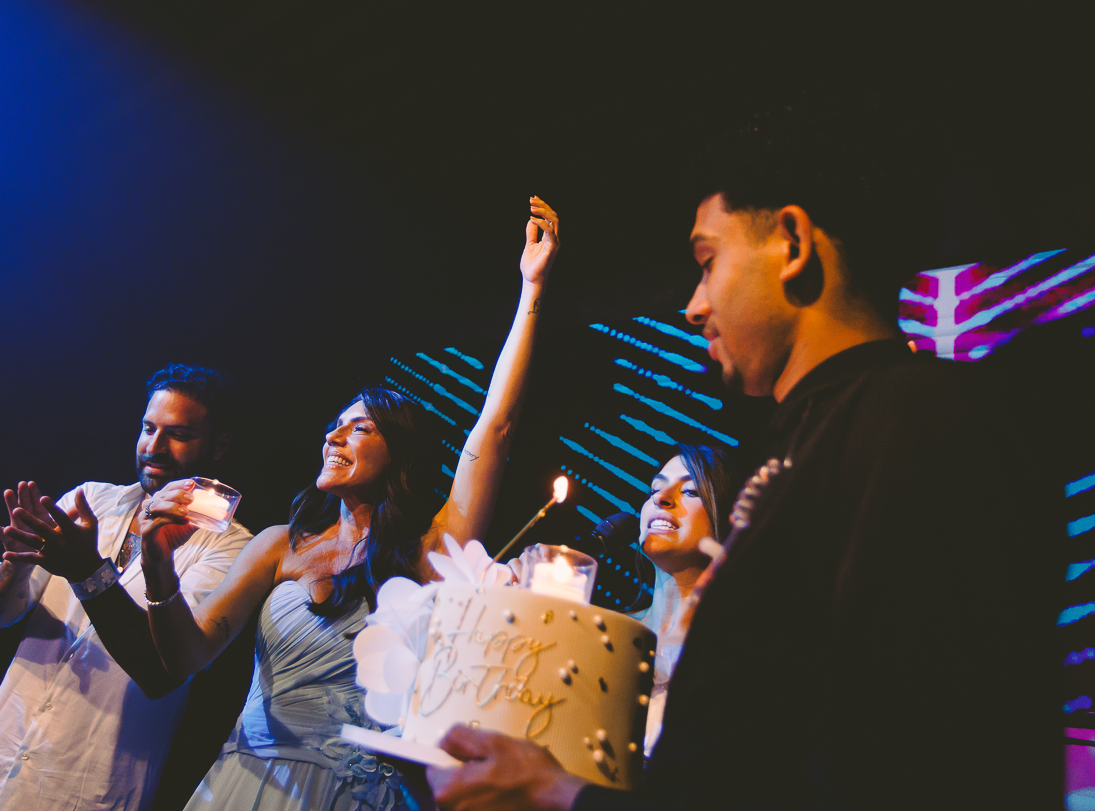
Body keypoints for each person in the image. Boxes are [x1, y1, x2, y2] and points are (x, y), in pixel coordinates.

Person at [427, 102, 1059, 810]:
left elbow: (898, 762)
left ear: (790, 242)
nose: (694, 305)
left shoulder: (915, 416)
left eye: (707, 261)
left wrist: (559, 793)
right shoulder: (805, 440)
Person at [112, 197, 560, 810]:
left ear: (398, 457)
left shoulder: (432, 547)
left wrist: (531, 288)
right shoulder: (278, 546)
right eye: (334, 425)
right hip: (242, 787)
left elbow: (497, 426)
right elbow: (187, 655)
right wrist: (159, 572)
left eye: (360, 428)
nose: (334, 435)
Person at [0, 365, 254, 811]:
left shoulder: (233, 546)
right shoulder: (93, 499)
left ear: (220, 446)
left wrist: (87, 572)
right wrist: (12, 569)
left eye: (179, 434)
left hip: (82, 792)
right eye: (147, 428)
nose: (154, 447)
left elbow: (164, 669)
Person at [628, 445, 738, 758]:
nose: (660, 499)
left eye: (690, 491)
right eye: (655, 488)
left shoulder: (736, 651)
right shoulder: (605, 630)